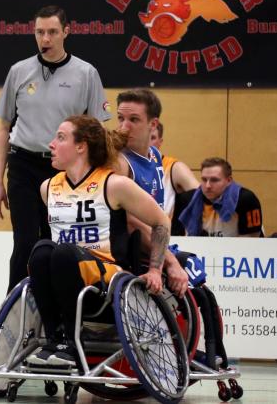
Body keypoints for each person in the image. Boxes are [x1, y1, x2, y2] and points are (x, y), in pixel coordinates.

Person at [27, 115, 170, 366]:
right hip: (63, 277)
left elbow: (161, 222)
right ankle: (54, 340)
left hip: (105, 280)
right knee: (40, 251)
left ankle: (72, 343)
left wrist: (156, 269)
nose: (51, 144)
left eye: (60, 138)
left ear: (81, 146)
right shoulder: (47, 187)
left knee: (63, 253)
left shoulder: (114, 184)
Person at [0, 5, 110, 292]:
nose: (45, 38)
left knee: (55, 246)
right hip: (23, 165)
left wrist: (97, 178)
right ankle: (14, 311)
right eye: (40, 32)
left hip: (64, 170)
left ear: (66, 32)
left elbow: (98, 133)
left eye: (52, 32)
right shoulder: (19, 71)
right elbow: (4, 129)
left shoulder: (86, 73)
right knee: (25, 242)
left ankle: (51, 314)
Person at [113, 89, 188, 295]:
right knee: (179, 266)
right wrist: (169, 262)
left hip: (153, 242)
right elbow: (129, 222)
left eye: (133, 119)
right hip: (129, 248)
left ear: (153, 124)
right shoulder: (119, 163)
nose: (124, 126)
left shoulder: (154, 155)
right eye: (120, 118)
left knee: (193, 267)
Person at [179, 157, 264, 237]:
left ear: (229, 180)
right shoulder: (188, 199)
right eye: (204, 180)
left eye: (214, 180)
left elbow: (252, 240)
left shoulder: (245, 199)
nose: (208, 185)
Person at [150, 121, 200, 235]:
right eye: (145, 137)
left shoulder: (175, 168)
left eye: (152, 138)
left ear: (160, 142)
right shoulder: (127, 165)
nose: (147, 142)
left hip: (166, 239)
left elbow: (201, 197)